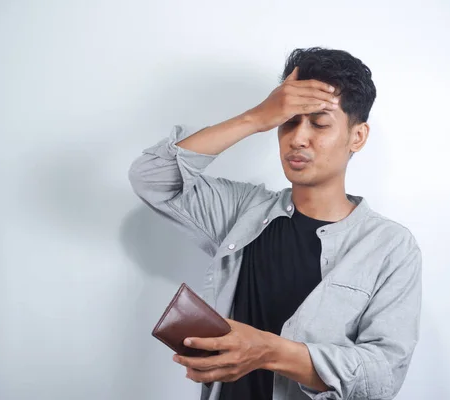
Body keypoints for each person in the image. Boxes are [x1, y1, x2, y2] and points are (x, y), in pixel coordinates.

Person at [128, 47, 422, 400]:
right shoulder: (244, 210)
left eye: (319, 123)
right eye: (289, 121)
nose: (297, 138)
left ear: (357, 136)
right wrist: (255, 118)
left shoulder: (390, 246)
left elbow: (382, 377)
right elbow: (152, 178)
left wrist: (269, 351)